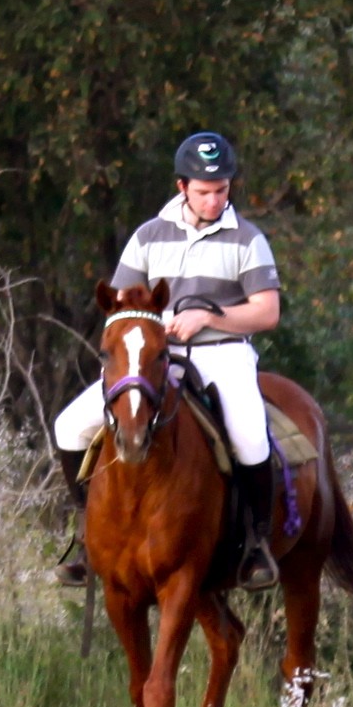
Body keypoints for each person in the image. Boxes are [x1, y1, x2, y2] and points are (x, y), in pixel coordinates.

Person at [55, 131, 290, 573]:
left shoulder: (248, 239)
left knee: (250, 438)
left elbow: (267, 312)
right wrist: (150, 328)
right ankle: (88, 536)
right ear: (182, 187)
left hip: (223, 353)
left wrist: (209, 317)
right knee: (68, 426)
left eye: (222, 190)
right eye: (204, 192)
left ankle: (257, 544)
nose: (215, 200)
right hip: (154, 356)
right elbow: (122, 304)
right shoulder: (148, 236)